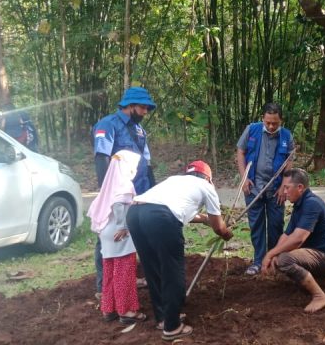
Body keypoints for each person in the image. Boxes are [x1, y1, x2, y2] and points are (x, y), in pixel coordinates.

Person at [127, 160, 233, 341]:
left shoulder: (176, 180)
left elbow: (181, 210)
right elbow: (219, 227)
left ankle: (164, 318)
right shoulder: (206, 187)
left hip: (135, 214)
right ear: (209, 178)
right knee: (172, 271)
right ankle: (172, 327)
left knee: (152, 269)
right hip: (159, 217)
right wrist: (226, 233)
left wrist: (205, 219)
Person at [93, 86, 157, 297]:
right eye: (143, 108)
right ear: (130, 106)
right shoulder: (108, 125)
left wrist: (153, 190)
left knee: (136, 234)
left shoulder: (140, 130)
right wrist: (107, 193)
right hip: (117, 193)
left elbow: (146, 162)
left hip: (138, 190)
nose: (145, 112)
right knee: (110, 235)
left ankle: (129, 279)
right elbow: (102, 158)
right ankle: (105, 286)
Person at [261, 168, 325, 313]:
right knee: (280, 257)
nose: (284, 192)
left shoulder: (312, 204)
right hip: (318, 255)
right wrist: (273, 255)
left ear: (300, 187)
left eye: (287, 188)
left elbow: (298, 240)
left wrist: (270, 255)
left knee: (285, 260)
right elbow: (287, 236)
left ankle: (319, 296)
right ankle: (309, 280)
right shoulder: (300, 204)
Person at [86, 150, 146, 325]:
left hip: (106, 232)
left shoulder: (109, 183)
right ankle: (126, 311)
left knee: (110, 272)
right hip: (120, 235)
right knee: (124, 272)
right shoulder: (124, 184)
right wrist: (123, 226)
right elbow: (119, 204)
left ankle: (109, 309)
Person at [236, 103, 294, 276]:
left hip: (276, 190)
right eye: (267, 122)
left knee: (276, 225)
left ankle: (274, 261)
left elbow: (289, 160)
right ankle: (258, 261)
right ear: (263, 118)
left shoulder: (286, 136)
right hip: (253, 188)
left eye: (274, 123)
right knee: (257, 225)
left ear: (280, 121)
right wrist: (244, 178)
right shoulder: (251, 130)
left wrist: (285, 184)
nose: (270, 126)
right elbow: (240, 151)